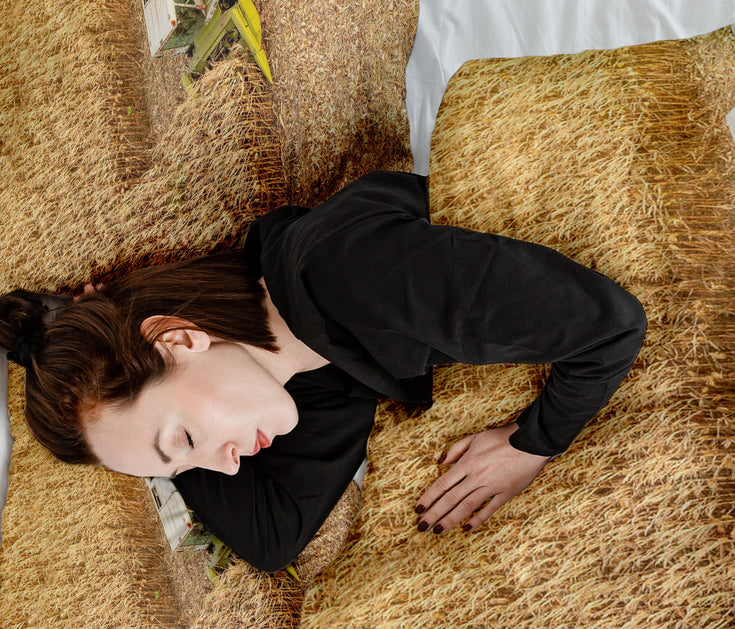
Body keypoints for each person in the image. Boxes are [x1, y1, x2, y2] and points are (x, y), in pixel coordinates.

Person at [0, 170, 646, 571]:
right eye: (187, 470)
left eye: (186, 443)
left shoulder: (352, 276)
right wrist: (83, 332)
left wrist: (534, 443)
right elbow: (271, 533)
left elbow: (611, 324)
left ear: (179, 339)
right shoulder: (311, 365)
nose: (226, 467)